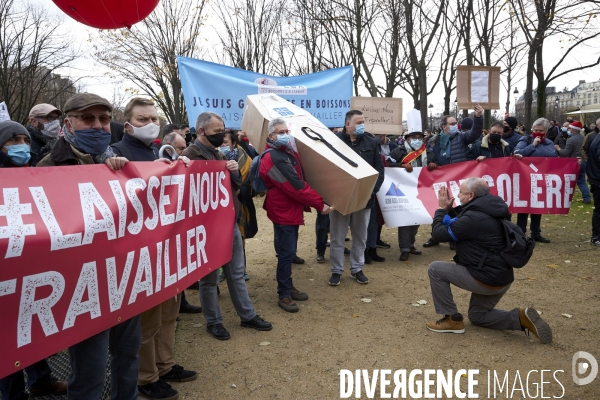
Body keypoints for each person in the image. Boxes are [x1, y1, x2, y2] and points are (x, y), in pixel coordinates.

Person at [37, 93, 138, 400]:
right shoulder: (48, 167)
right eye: (88, 119)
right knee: (90, 375)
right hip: (83, 290)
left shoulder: (116, 165)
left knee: (127, 358)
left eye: (104, 119)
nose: (97, 125)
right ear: (68, 123)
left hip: (123, 279)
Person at [111, 97, 196, 400]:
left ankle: (165, 364)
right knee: (147, 322)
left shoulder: (159, 152)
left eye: (153, 118)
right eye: (142, 119)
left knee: (168, 314)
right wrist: (110, 167)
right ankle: (147, 378)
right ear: (128, 124)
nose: (150, 124)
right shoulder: (117, 153)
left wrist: (182, 168)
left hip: (168, 250)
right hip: (141, 253)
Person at [425, 178, 552, 344]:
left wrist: (441, 210)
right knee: (478, 316)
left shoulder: (474, 217)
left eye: (461, 192)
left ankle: (452, 319)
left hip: (484, 278)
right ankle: (520, 318)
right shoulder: (491, 209)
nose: (457, 195)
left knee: (435, 269)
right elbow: (458, 223)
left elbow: (438, 234)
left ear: (471, 195)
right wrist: (448, 210)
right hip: (501, 278)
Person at [182, 112, 273, 332]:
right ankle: (213, 321)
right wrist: (181, 166)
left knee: (237, 273)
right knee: (209, 278)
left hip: (228, 223)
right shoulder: (189, 155)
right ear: (201, 131)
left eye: (222, 131)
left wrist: (233, 172)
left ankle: (247, 315)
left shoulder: (220, 155)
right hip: (204, 228)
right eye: (217, 132)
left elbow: (235, 187)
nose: (221, 136)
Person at [0, 121, 68, 399]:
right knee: (7, 339)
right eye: (13, 140)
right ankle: (12, 394)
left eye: (25, 140)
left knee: (31, 332)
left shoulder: (36, 175)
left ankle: (41, 380)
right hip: (6, 271)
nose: (22, 146)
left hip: (33, 267)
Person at [259, 118, 331, 311]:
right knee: (286, 253)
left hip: (286, 209)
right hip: (284, 211)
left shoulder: (283, 153)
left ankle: (288, 286)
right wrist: (319, 203)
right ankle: (283, 294)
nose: (285, 135)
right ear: (271, 135)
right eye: (280, 132)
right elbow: (295, 186)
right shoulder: (273, 157)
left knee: (287, 251)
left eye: (286, 131)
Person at [328, 110, 384, 286]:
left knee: (360, 236)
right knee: (338, 237)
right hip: (340, 198)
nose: (362, 125)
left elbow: (379, 169)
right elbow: (327, 169)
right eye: (358, 122)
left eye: (363, 122)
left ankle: (357, 269)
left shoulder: (371, 142)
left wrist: (371, 191)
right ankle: (336, 271)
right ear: (348, 124)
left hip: (364, 198)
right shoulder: (334, 141)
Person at [424, 105, 483, 249]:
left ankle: (453, 237)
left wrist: (478, 116)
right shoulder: (434, 141)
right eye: (452, 124)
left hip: (458, 179)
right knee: (438, 207)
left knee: (456, 208)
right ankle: (435, 236)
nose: (455, 125)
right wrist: (432, 164)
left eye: (456, 123)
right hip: (440, 179)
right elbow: (430, 157)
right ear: (444, 127)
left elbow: (475, 133)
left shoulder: (461, 137)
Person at [389, 110, 438, 261]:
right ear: (408, 138)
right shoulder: (398, 151)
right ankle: (404, 249)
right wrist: (401, 165)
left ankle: (411, 244)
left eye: (420, 138)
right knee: (405, 220)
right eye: (414, 137)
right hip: (403, 190)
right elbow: (388, 165)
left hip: (422, 190)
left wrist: (433, 165)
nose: (417, 140)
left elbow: (438, 167)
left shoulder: (428, 153)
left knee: (417, 218)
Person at [513, 118, 558, 243]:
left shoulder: (549, 143)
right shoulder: (526, 140)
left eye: (541, 131)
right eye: (535, 130)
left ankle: (536, 232)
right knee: (524, 206)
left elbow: (553, 156)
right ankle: (521, 233)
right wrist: (533, 146)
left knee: (538, 205)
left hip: (541, 179)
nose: (537, 132)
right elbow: (517, 153)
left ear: (546, 131)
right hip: (526, 178)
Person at [220, 128, 256, 281]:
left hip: (239, 206)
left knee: (238, 239)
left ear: (234, 143)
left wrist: (240, 191)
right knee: (220, 239)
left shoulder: (247, 160)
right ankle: (221, 271)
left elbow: (253, 185)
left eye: (225, 142)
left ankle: (241, 268)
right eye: (220, 142)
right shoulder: (214, 158)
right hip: (219, 208)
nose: (221, 145)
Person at [555, 120, 591, 204]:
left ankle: (564, 196)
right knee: (581, 181)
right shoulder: (584, 138)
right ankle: (587, 197)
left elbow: (566, 153)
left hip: (573, 162)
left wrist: (558, 149)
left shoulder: (571, 140)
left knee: (567, 180)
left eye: (570, 128)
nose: (568, 130)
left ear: (574, 130)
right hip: (583, 161)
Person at [586, 129, 600, 246]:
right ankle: (596, 237)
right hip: (598, 180)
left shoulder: (596, 139)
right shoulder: (598, 140)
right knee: (599, 210)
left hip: (596, 178)